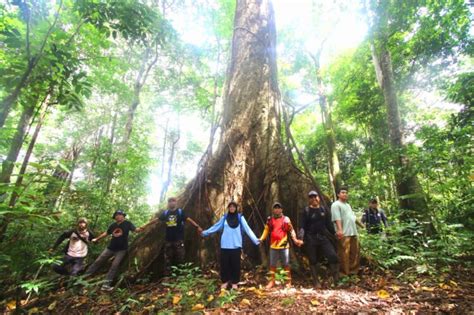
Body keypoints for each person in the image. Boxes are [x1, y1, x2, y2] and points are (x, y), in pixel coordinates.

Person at [85, 210, 152, 291]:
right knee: (98, 261)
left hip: (121, 250)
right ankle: (84, 277)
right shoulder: (113, 225)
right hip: (110, 248)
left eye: (120, 214)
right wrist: (97, 238)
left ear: (123, 216)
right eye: (116, 215)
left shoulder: (128, 223)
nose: (118, 216)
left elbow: (136, 230)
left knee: (114, 266)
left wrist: (145, 226)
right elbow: (106, 233)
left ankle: (106, 285)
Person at [201, 201, 260, 290]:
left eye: (234, 207)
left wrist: (256, 240)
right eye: (230, 207)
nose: (232, 208)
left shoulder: (240, 218)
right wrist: (205, 232)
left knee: (235, 264)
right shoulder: (224, 218)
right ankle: (225, 281)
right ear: (228, 208)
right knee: (225, 264)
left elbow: (247, 229)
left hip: (236, 245)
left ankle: (234, 282)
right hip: (225, 245)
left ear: (236, 208)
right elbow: (216, 226)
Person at [298, 191, 339, 287]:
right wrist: (301, 238)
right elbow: (302, 226)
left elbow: (329, 225)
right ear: (309, 200)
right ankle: (316, 281)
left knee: (332, 255)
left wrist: (335, 233)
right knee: (312, 259)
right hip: (311, 238)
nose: (314, 199)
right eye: (311, 197)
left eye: (315, 197)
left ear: (319, 198)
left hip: (323, 237)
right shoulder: (306, 211)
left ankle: (336, 280)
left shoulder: (323, 209)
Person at [259, 202, 303, 289]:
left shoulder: (286, 219)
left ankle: (288, 282)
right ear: (273, 210)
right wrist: (261, 239)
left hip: (284, 246)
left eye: (279, 208)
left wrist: (295, 240)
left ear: (281, 209)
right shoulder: (270, 219)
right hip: (273, 246)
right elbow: (266, 230)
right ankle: (272, 281)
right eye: (275, 208)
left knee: (286, 264)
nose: (277, 209)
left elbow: (291, 230)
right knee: (272, 265)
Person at [158, 197, 203, 275]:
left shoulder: (180, 212)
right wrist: (144, 226)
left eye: (173, 201)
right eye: (170, 201)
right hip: (168, 240)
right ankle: (168, 276)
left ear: (176, 202)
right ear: (168, 203)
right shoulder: (165, 213)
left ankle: (181, 275)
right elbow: (156, 220)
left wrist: (197, 226)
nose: (171, 203)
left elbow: (189, 219)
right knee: (168, 259)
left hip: (179, 239)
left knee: (180, 257)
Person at [331, 187, 364, 276]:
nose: (345, 194)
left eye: (346, 193)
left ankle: (353, 272)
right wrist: (340, 230)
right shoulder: (336, 204)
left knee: (355, 252)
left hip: (353, 232)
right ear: (338, 194)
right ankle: (344, 274)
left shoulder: (348, 205)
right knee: (343, 254)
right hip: (344, 233)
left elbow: (352, 217)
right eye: (343, 192)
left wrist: (361, 225)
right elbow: (336, 218)